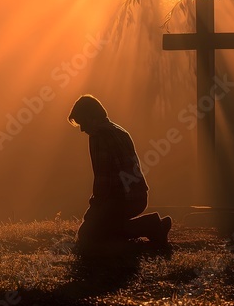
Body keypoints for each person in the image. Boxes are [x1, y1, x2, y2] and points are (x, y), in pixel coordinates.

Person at [68, 95, 172, 249]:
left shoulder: (98, 136)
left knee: (88, 235)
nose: (82, 129)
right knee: (103, 227)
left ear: (91, 117)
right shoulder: (119, 131)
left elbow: (103, 181)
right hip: (139, 197)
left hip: (121, 199)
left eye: (82, 122)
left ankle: (151, 225)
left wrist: (93, 210)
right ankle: (153, 224)